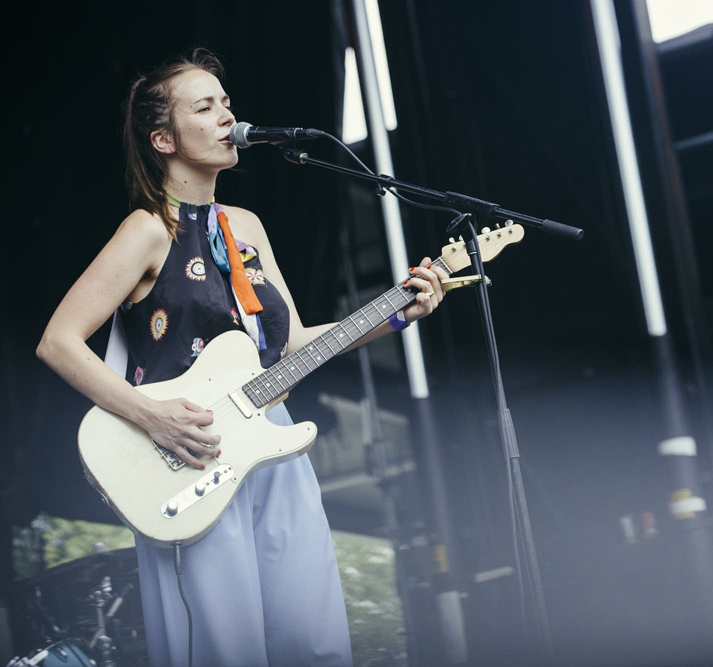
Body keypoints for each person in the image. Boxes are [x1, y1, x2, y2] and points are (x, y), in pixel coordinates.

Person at [35, 48, 448, 667]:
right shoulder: (149, 229)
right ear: (163, 138)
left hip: (271, 436)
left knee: (313, 637)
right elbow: (58, 342)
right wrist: (155, 418)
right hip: (189, 450)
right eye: (204, 107)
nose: (227, 116)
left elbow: (292, 348)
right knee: (225, 646)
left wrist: (395, 312)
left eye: (226, 103)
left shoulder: (246, 226)